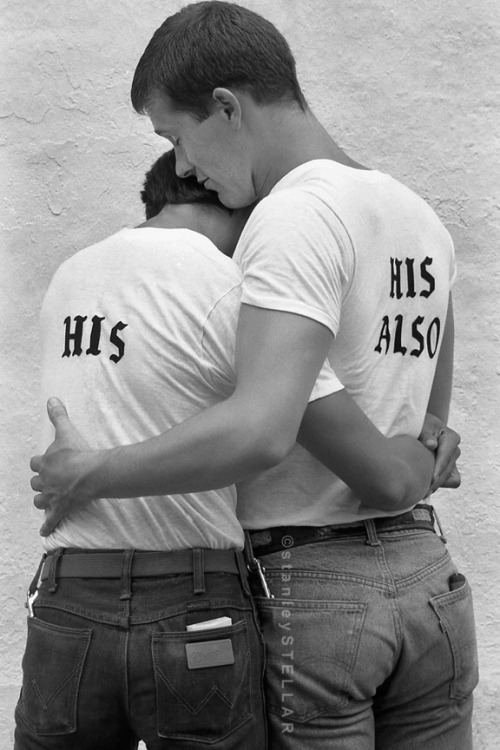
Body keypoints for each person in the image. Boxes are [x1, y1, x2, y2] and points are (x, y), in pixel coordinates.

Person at [30, 3, 476, 749]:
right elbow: (431, 420)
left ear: (227, 107)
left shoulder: (293, 216)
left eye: (176, 136)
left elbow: (262, 429)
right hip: (429, 579)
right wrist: (420, 459)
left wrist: (92, 472)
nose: (180, 168)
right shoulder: (415, 215)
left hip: (322, 585)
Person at [15, 151, 268, 750]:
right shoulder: (228, 279)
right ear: (228, 196)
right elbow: (285, 419)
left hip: (68, 599)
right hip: (192, 599)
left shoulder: (71, 272)